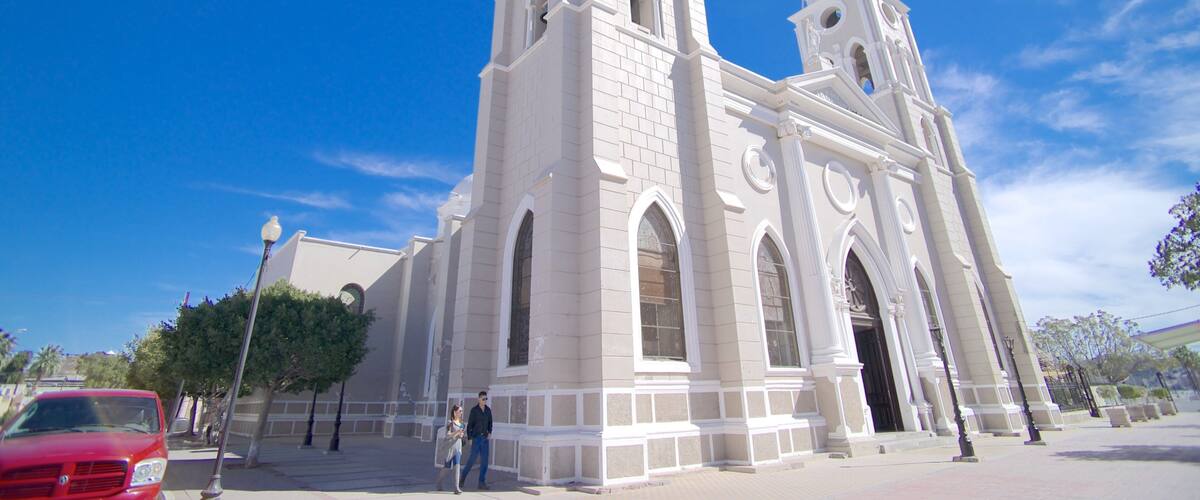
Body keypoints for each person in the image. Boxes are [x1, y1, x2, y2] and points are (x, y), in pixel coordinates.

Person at [459, 390, 493, 490]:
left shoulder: (488, 410)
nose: (485, 400)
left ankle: (481, 483)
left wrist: (490, 432)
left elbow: (490, 422)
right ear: (479, 399)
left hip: (485, 439)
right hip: (477, 438)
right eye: (483, 399)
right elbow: (470, 425)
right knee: (471, 460)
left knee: (485, 461)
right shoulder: (474, 411)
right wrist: (469, 438)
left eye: (486, 399)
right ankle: (462, 478)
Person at [435, 404, 465, 494]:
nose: (461, 413)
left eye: (461, 411)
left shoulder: (462, 424)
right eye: (460, 411)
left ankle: (456, 488)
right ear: (455, 412)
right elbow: (447, 435)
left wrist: (461, 435)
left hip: (458, 447)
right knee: (447, 467)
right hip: (450, 447)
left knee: (457, 466)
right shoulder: (450, 423)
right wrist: (456, 432)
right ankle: (439, 482)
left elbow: (461, 434)